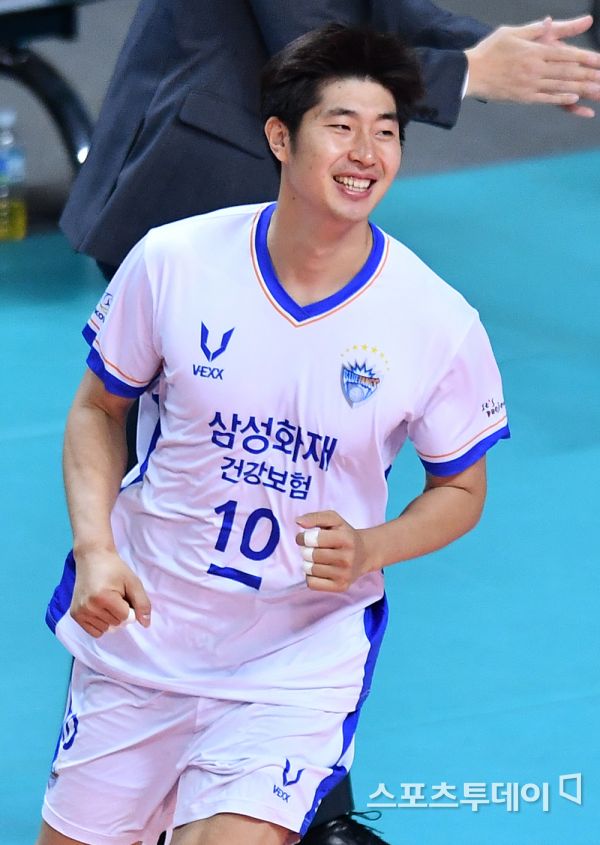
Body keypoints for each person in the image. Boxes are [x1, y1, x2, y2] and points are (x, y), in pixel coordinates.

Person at [40, 23, 510, 845]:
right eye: (341, 126)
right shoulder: (175, 261)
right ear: (280, 138)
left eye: (387, 132)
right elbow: (96, 409)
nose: (366, 153)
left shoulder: (438, 320)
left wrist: (370, 546)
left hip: (293, 661)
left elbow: (461, 486)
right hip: (147, 631)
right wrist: (95, 547)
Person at [59, 0, 600, 278]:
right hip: (193, 181)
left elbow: (381, 6)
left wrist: (494, 50)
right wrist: (470, 71)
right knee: (174, 437)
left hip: (245, 171)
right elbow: (316, 48)